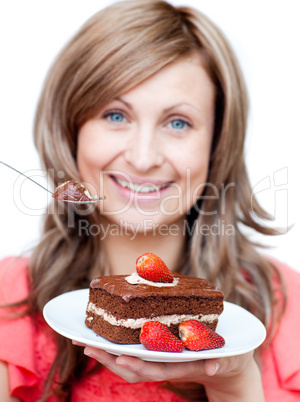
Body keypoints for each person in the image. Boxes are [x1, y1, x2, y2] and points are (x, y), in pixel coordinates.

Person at [0, 0, 299, 401]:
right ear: (71, 130)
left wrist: (235, 384)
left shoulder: (288, 306)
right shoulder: (9, 295)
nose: (143, 157)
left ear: (216, 144)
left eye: (178, 123)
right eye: (116, 116)